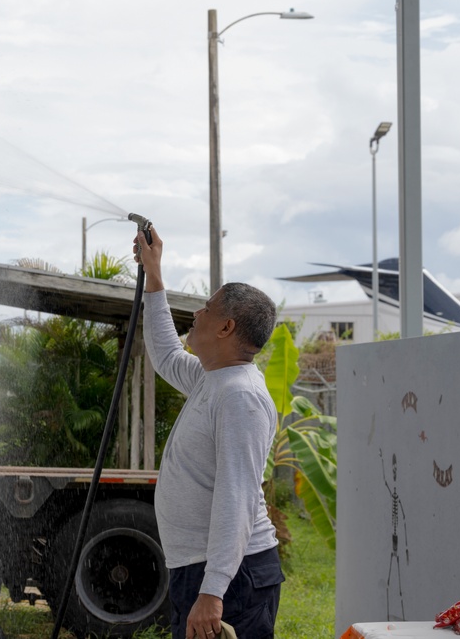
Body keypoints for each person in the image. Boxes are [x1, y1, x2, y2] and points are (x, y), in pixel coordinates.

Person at [134, 226, 285, 639]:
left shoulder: (240, 396)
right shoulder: (213, 377)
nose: (197, 314)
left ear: (226, 328)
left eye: (206, 308)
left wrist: (213, 591)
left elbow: (236, 498)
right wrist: (155, 275)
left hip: (231, 579)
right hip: (204, 570)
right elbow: (165, 354)